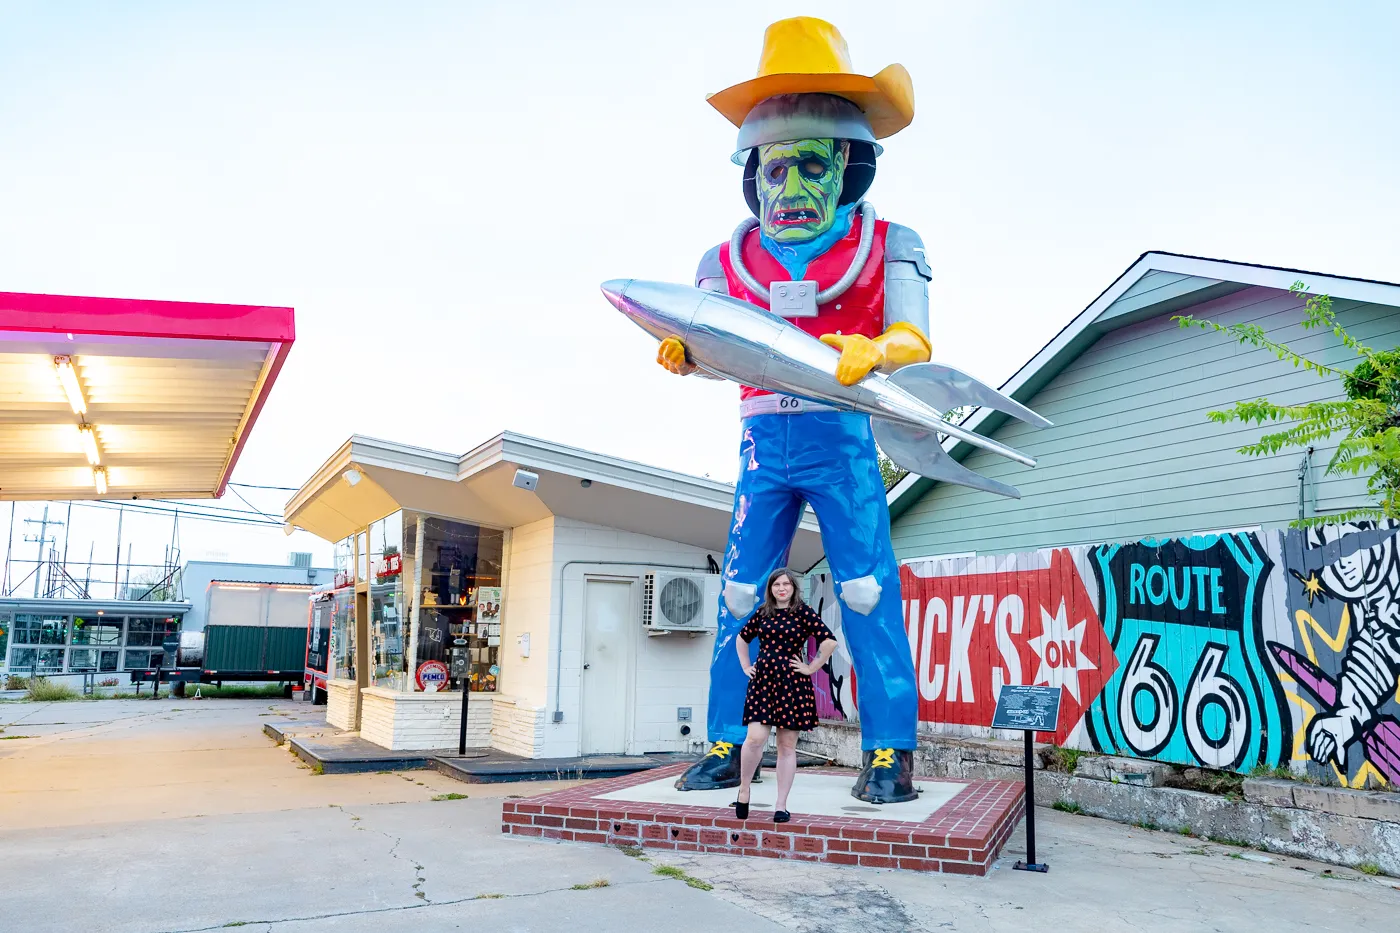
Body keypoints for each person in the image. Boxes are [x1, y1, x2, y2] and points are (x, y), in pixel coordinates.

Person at [665, 16, 925, 803]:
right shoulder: (725, 263)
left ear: (847, 162)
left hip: (840, 437)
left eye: (809, 165)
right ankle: (721, 739)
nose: (789, 189)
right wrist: (687, 352)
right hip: (758, 446)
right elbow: (716, 350)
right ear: (752, 171)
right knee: (739, 595)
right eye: (773, 169)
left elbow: (914, 336)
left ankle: (888, 749)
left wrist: (878, 349)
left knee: (866, 589)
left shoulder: (889, 245)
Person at [733, 569, 838, 822]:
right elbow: (741, 638)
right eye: (777, 584)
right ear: (770, 588)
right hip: (763, 682)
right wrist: (746, 666)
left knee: (786, 746)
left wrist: (811, 667)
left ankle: (781, 805)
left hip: (792, 685)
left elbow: (829, 642)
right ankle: (744, 788)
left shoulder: (802, 612)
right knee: (754, 739)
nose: (781, 588)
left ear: (793, 588)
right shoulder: (762, 613)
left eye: (786, 584)